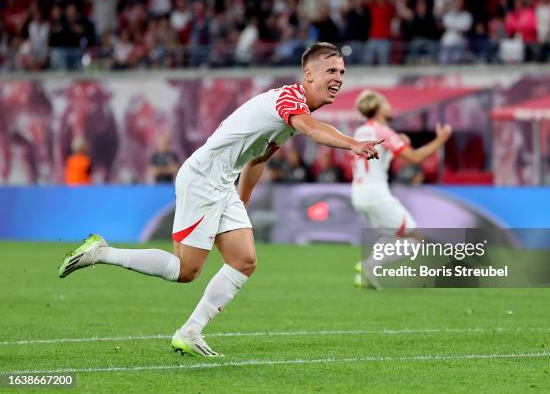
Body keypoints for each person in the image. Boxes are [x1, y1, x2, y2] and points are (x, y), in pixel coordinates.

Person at [58, 42, 382, 357]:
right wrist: (352, 143)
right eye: (330, 70)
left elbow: (257, 160)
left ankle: (190, 332)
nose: (339, 77)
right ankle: (101, 252)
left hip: (223, 185)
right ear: (309, 75)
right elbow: (311, 129)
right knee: (185, 271)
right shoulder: (289, 99)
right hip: (203, 179)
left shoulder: (294, 114)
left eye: (342, 70)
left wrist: (242, 201)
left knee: (244, 261)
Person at [350, 90, 452, 288]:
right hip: (376, 193)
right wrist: (441, 140)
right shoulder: (383, 131)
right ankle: (369, 265)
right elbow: (415, 158)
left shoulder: (360, 132)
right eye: (385, 103)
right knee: (415, 239)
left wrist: (396, 144)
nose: (389, 106)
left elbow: (376, 158)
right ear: (378, 108)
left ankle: (365, 277)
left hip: (359, 192)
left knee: (392, 235)